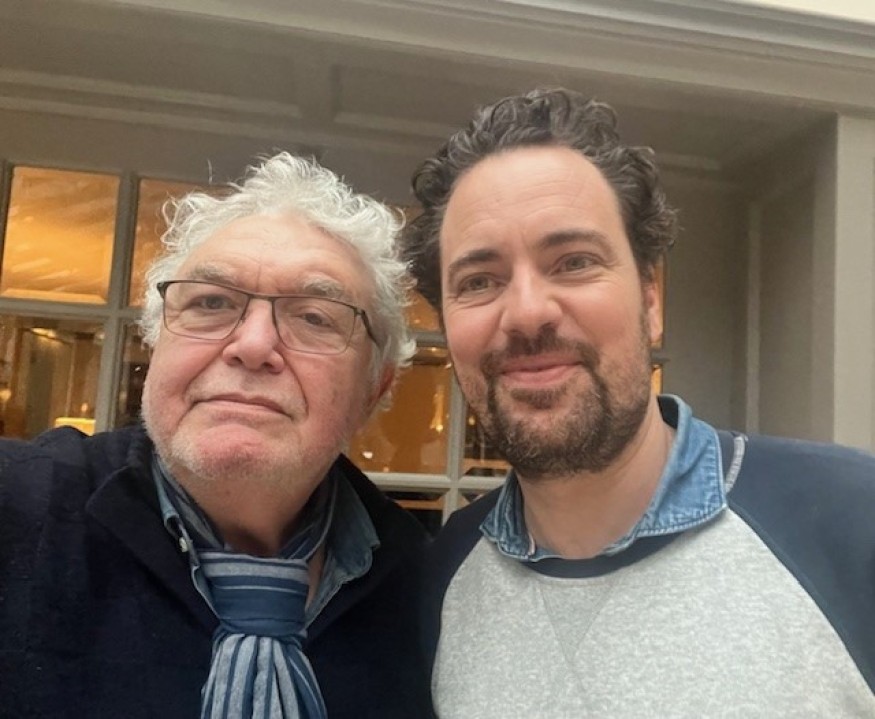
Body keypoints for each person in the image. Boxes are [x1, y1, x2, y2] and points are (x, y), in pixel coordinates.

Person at [402, 88, 875, 717]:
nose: (527, 313)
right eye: (479, 281)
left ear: (651, 300)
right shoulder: (442, 577)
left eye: (573, 262)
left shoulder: (851, 522)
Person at [0, 152, 431, 719]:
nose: (252, 345)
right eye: (210, 302)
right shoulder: (16, 506)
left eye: (314, 317)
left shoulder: (431, 589)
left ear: (374, 389)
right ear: (156, 344)